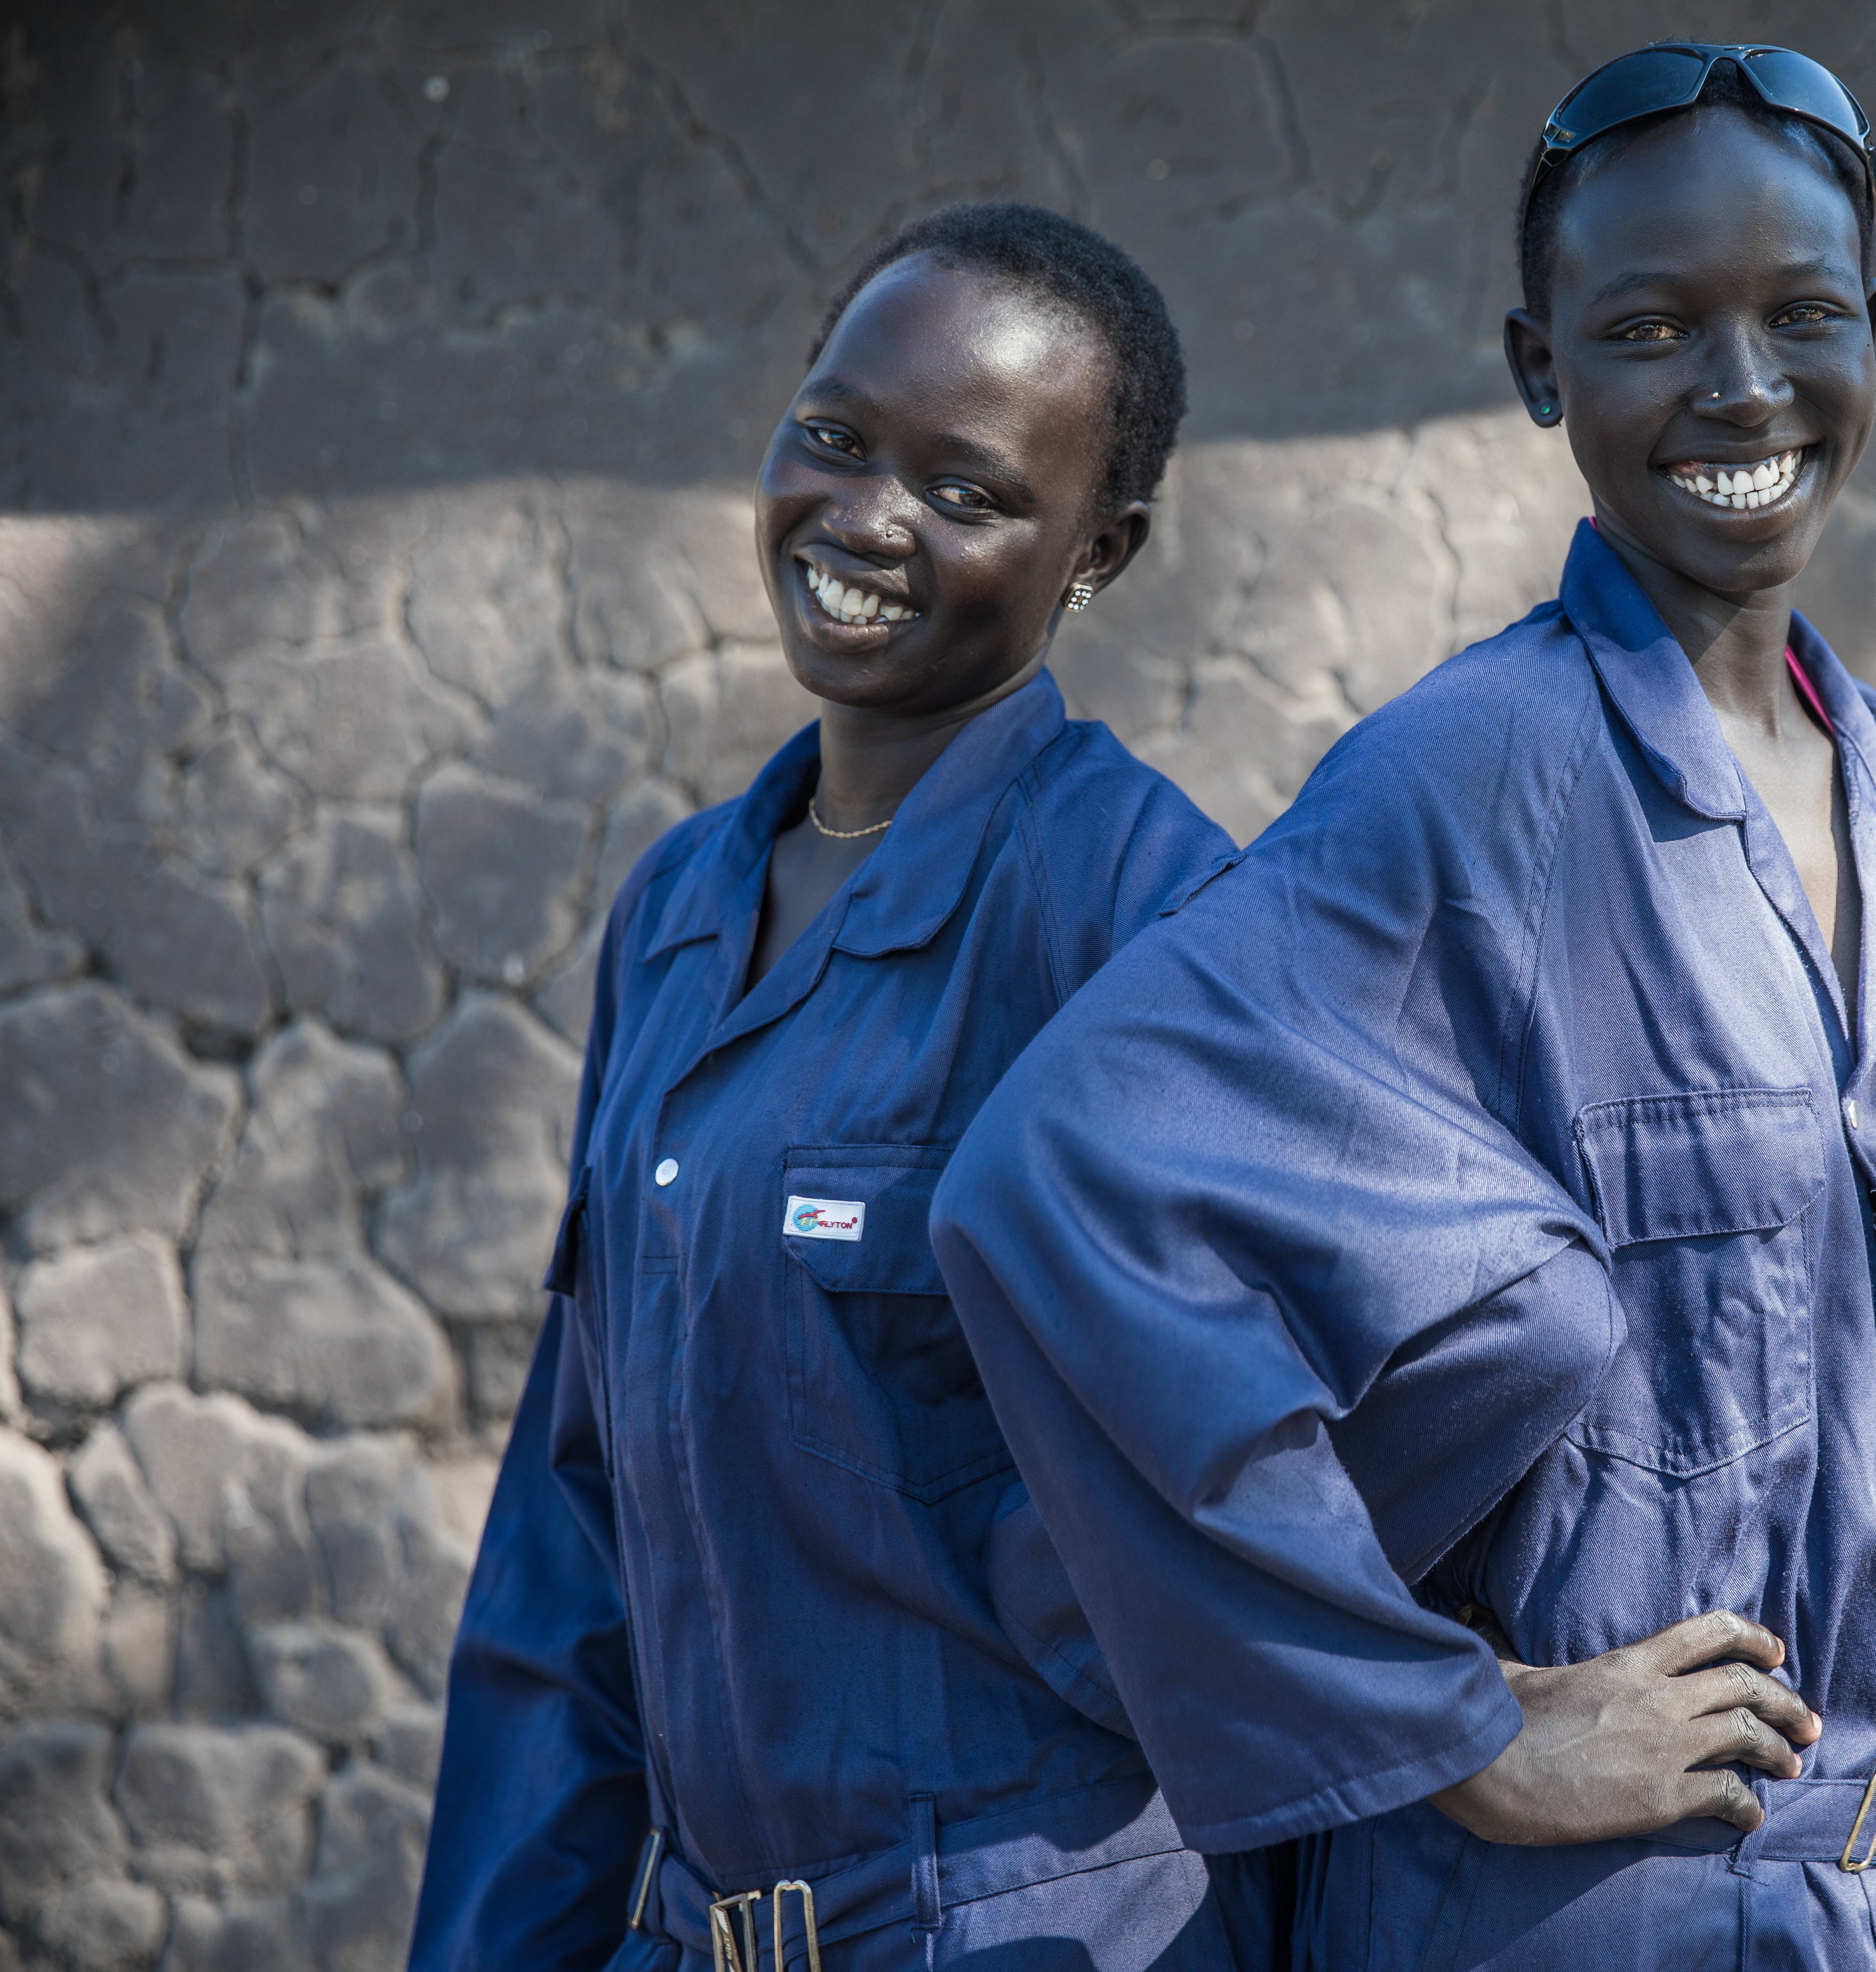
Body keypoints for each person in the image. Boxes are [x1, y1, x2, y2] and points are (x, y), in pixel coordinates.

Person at [931, 44, 1876, 1972]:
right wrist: (1456, 1721)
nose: (1741, 387)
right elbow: (1058, 1188)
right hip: (1565, 1919)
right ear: (1540, 367)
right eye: (1655, 324)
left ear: (1873, 335)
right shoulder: (1464, 789)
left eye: (1800, 317)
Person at [408, 203, 1277, 1972]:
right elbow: (586, 1520)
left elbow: (1248, 1484)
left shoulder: (1143, 915)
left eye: (966, 491)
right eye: (832, 436)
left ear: (1096, 548)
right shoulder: (679, 908)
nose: (865, 518)